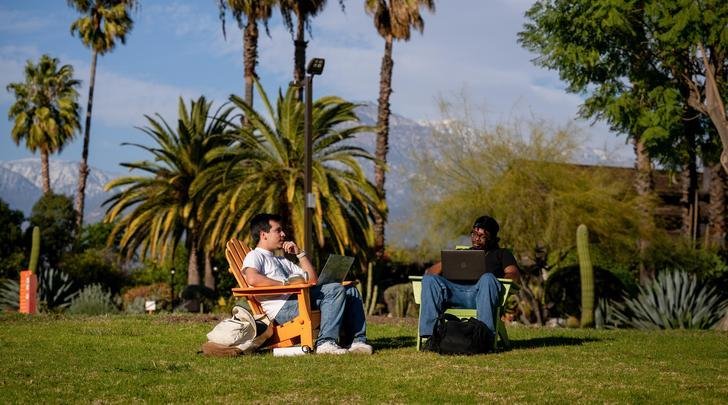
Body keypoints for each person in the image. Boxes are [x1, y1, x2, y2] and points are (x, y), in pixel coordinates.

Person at [242, 213, 372, 355]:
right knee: (334, 289)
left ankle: (356, 341)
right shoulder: (255, 256)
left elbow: (312, 280)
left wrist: (300, 254)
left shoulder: (281, 260)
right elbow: (252, 279)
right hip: (282, 310)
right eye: (278, 230)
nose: (283, 234)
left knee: (350, 291)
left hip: (299, 299)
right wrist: (285, 284)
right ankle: (325, 343)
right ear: (263, 234)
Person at [419, 215, 520, 349]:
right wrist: (448, 262)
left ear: (493, 239)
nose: (476, 239)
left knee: (488, 278)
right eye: (474, 234)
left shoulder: (501, 253)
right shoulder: (463, 254)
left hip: (482, 295)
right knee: (430, 279)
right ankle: (431, 337)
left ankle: (483, 338)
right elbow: (429, 273)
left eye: (482, 236)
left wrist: (501, 283)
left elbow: (514, 274)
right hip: (456, 294)